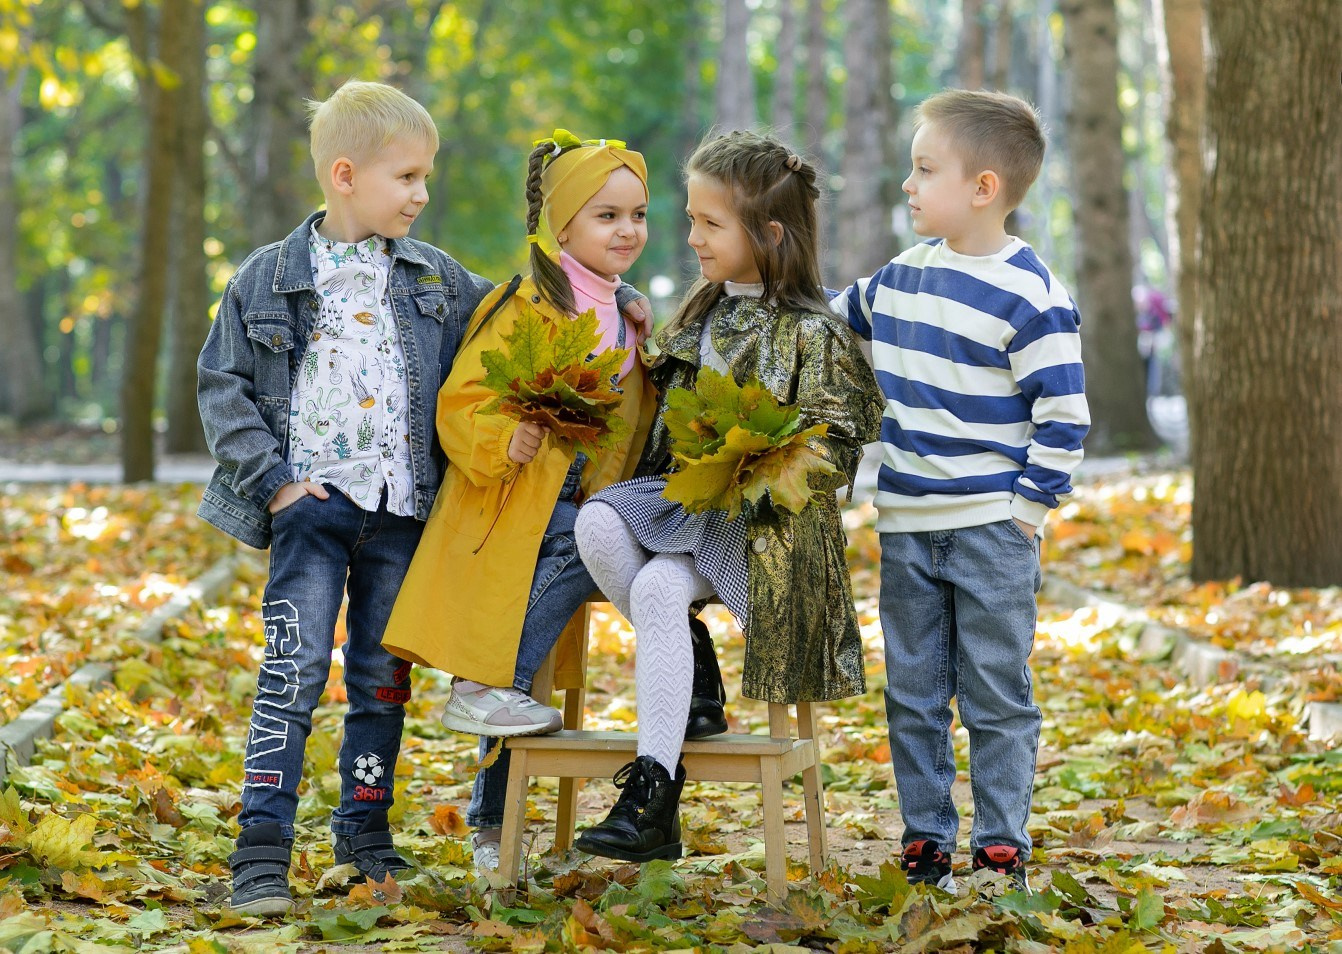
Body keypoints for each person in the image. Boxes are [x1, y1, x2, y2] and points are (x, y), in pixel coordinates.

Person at [195, 80, 501, 914]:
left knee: (380, 682)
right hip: (312, 515)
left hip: (401, 514)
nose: (422, 193)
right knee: (291, 672)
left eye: (426, 177)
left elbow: (513, 314)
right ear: (343, 175)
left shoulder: (434, 276)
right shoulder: (267, 278)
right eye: (407, 177)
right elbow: (221, 386)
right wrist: (276, 485)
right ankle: (261, 843)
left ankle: (365, 833)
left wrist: (605, 296)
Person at [380, 131, 712, 875]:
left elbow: (625, 424)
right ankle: (488, 779)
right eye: (606, 216)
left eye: (638, 214)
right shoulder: (525, 306)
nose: (627, 230)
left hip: (582, 514)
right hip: (518, 505)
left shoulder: (624, 313)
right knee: (514, 655)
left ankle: (497, 786)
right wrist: (507, 438)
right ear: (561, 227)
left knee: (533, 641)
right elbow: (461, 400)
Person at [570, 130, 885, 864]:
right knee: (603, 528)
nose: (691, 239)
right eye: (691, 221)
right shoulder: (699, 313)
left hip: (765, 532)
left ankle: (653, 791)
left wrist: (764, 464)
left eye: (710, 224)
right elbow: (665, 412)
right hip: (692, 511)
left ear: (769, 235)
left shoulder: (815, 331)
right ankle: (683, 707)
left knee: (654, 584)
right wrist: (636, 343)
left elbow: (839, 442)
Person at [830, 89, 1091, 893]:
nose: (908, 185)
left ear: (982, 187)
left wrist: (1026, 514)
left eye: (924, 169)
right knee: (913, 693)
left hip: (990, 531)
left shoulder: (1032, 294)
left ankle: (1002, 842)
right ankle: (926, 841)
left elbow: (1065, 414)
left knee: (996, 696)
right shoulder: (900, 279)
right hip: (908, 524)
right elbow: (821, 321)